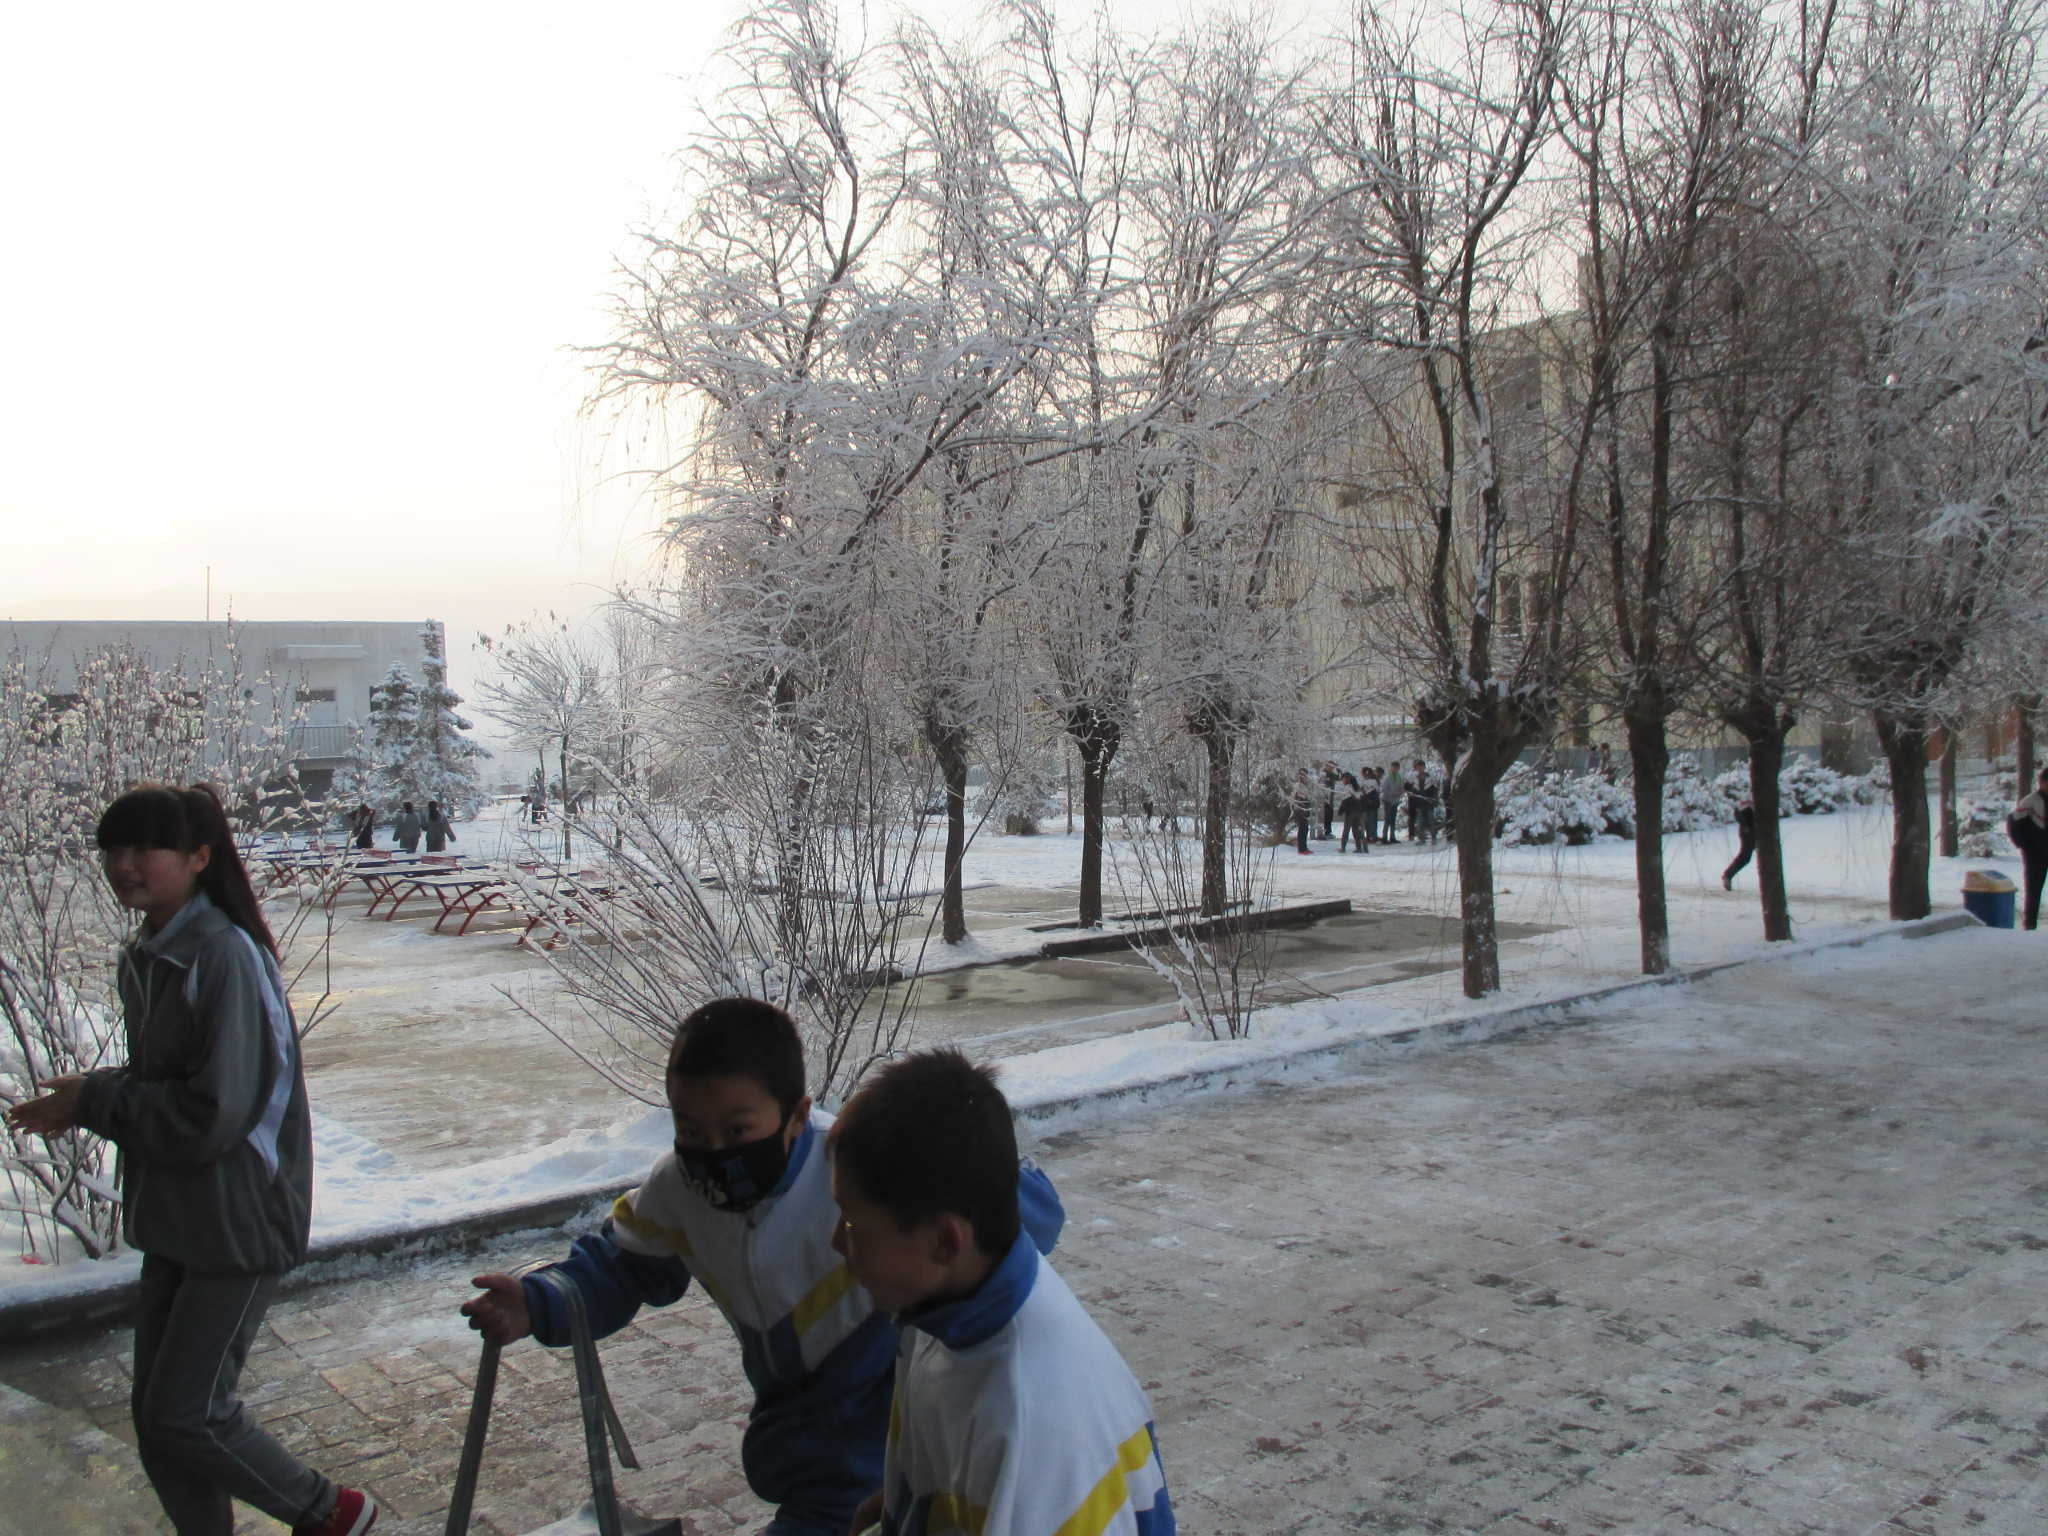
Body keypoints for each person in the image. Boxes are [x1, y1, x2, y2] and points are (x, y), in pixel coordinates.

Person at [459, 998, 1063, 1536]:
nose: (715, 1153)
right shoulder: (678, 1188)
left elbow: (1003, 1216)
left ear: (797, 1115)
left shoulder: (854, 1167)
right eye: (690, 1129)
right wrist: (539, 1302)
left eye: (738, 1129)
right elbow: (622, 1266)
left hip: (891, 1424)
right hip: (800, 1435)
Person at [5, 785, 376, 1536]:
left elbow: (214, 1113)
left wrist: (97, 1102)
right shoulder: (152, 954)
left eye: (148, 849)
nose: (125, 865)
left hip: (237, 1219)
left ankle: (333, 1514)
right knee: (159, 1421)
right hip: (179, 1215)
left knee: (189, 1412)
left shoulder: (222, 956)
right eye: (113, 849)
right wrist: (92, 1096)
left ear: (200, 858)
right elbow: (166, 1081)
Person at [830, 1050, 1175, 1536]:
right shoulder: (942, 1306)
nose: (836, 1242)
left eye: (851, 1224)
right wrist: (905, 1505)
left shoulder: (1033, 1432)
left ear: (945, 1241)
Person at [2010, 767, 2048, 930]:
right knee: (2034, 889)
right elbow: (2013, 822)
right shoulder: (2031, 801)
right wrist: (2024, 845)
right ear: (2042, 783)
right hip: (2035, 853)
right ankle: (2030, 924)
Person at [1723, 796, 1757, 890]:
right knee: (1745, 857)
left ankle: (1728, 875)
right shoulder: (1752, 797)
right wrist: (1747, 826)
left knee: (1746, 857)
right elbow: (1740, 813)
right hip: (1750, 831)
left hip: (1749, 830)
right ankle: (1728, 875)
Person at [1338, 776, 1369, 854]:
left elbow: (1345, 800)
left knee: (1346, 830)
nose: (1343, 781)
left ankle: (1343, 848)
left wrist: (1340, 811)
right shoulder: (1359, 788)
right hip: (1359, 811)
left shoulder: (1347, 788)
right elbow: (1364, 799)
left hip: (1350, 812)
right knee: (1358, 830)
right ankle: (1363, 847)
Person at [1290, 769, 1314, 855]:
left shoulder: (1305, 786)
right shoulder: (1298, 785)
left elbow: (1307, 797)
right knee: (1302, 829)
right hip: (1299, 810)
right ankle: (1301, 849)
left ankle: (1304, 847)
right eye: (1303, 775)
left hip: (1305, 809)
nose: (1305, 777)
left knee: (1305, 828)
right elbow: (1299, 797)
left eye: (1306, 775)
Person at [1381, 761, 1404, 843]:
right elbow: (1384, 789)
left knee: (1393, 819)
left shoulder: (1399, 777)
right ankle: (1384, 837)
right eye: (1393, 767)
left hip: (1395, 800)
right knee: (1387, 819)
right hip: (1388, 800)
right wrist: (1392, 793)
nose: (1395, 769)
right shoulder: (1387, 777)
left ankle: (1392, 836)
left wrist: (1400, 792)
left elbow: (1401, 786)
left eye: (1396, 768)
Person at [1360, 768, 1382, 845]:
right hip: (1373, 804)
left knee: (1367, 821)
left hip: (1366, 803)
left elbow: (1360, 791)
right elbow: (1378, 790)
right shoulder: (1375, 781)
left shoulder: (1364, 782)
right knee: (1372, 820)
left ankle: (1369, 836)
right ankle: (1373, 836)